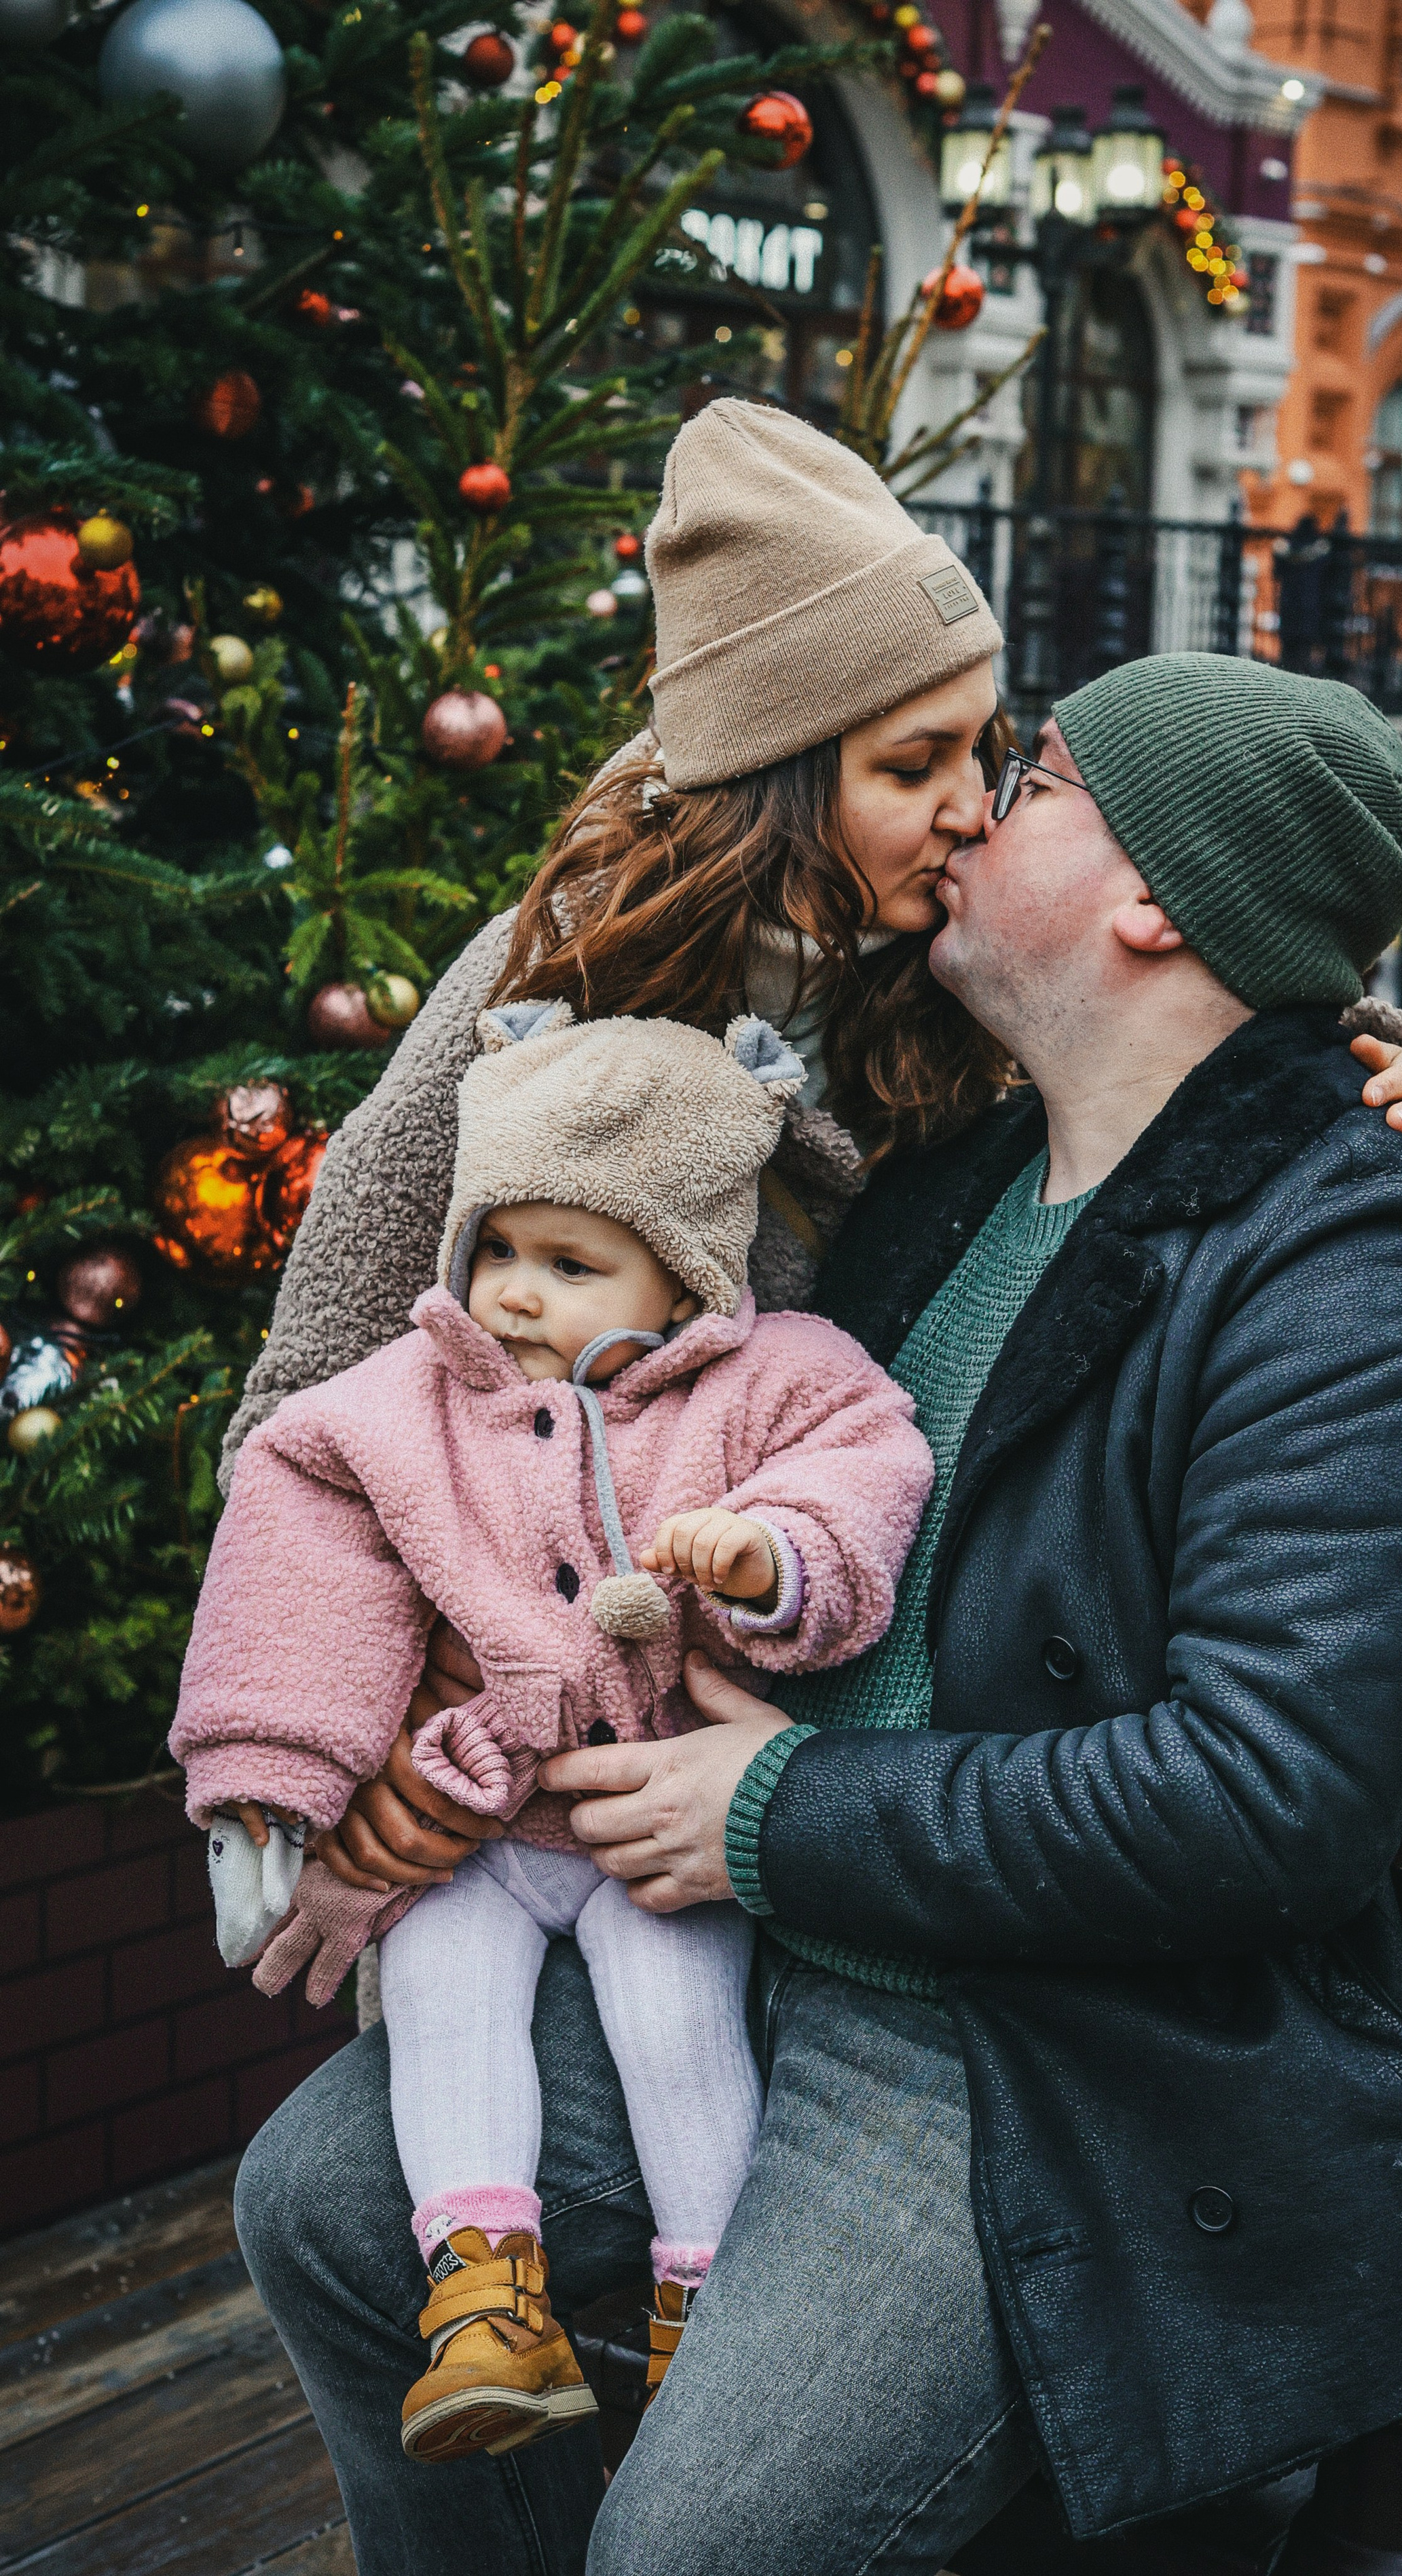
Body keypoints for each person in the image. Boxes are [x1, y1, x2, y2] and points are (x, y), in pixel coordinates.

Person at [227, 401, 1402, 2575]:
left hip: (1037, 2044)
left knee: (700, 2543)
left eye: (1036, 778)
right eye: (952, 764)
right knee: (324, 2204)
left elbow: (1272, 1786)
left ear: (1153, 911)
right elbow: (413, 1349)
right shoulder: (944, 1148)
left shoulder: (1351, 1263)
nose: (982, 810)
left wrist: (769, 1813)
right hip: (755, 1923)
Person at [172, 1008, 932, 2466]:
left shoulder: (771, 1376)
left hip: (656, 1813)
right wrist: (271, 1772)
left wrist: (769, 1558)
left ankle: (700, 2298)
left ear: (687, 1269)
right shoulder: (409, 1399)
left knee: (675, 2019)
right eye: (498, 1247)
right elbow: (301, 1558)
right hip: (486, 1822)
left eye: (572, 1265)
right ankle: (481, 2295)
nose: (515, 1296)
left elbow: (866, 1468)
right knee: (445, 1989)